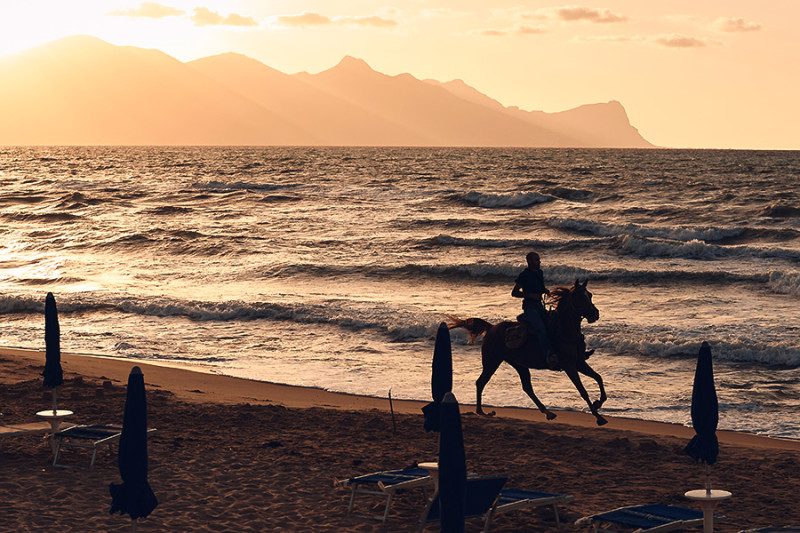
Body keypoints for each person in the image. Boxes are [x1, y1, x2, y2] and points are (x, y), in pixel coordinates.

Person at [511, 251, 550, 361]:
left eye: (539, 259)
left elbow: (540, 287)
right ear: (529, 261)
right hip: (529, 308)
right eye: (536, 259)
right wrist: (530, 295)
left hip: (540, 306)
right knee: (541, 330)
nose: (539, 262)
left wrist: (545, 291)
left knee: (553, 323)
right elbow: (514, 292)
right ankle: (546, 355)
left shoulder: (540, 273)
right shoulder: (524, 275)